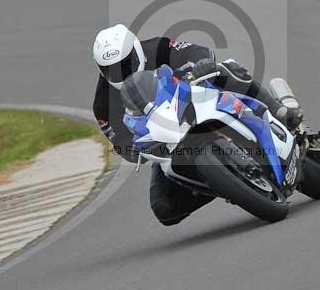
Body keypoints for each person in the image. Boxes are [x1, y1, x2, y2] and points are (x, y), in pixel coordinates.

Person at [91, 24, 302, 225]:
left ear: (136, 51)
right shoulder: (102, 105)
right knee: (164, 209)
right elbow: (123, 145)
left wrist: (200, 65)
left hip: (196, 100)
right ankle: (224, 183)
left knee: (226, 69)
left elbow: (197, 52)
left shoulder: (158, 47)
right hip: (168, 139)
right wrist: (136, 148)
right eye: (112, 70)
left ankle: (278, 109)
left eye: (126, 64)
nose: (122, 72)